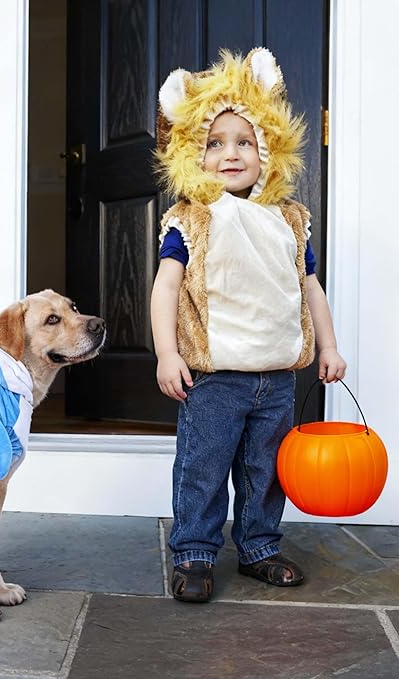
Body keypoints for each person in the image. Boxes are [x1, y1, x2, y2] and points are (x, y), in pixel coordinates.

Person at [150, 48, 346, 603]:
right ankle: (194, 552)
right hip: (214, 378)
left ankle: (259, 545)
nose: (230, 153)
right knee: (203, 467)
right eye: (214, 143)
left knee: (266, 470)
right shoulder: (191, 219)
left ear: (269, 147)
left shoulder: (289, 221)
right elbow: (166, 288)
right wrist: (167, 353)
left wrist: (328, 346)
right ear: (193, 153)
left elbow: (309, 287)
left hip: (276, 377)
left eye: (244, 141)